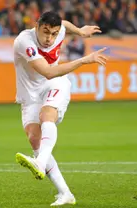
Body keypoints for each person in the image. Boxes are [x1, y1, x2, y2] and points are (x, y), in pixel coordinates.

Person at [13, 11, 107, 206]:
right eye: (45, 32)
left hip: (55, 84)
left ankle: (39, 162)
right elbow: (47, 71)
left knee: (47, 115)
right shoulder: (25, 41)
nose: (49, 38)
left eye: (54, 34)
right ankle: (66, 194)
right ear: (37, 25)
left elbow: (64, 24)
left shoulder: (60, 30)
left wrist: (80, 31)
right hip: (30, 94)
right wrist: (83, 60)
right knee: (33, 137)